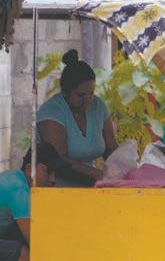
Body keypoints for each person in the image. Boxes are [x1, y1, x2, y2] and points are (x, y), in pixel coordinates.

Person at [36, 49, 118, 186]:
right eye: (81, 95)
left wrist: (118, 168)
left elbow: (111, 148)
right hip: (56, 184)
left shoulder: (98, 106)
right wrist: (97, 174)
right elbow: (59, 160)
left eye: (91, 93)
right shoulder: (52, 112)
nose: (88, 100)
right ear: (65, 92)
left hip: (90, 183)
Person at [0, 143, 63, 261]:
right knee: (23, 255)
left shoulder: (16, 178)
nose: (52, 180)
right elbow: (35, 242)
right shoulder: (18, 188)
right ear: (29, 168)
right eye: (47, 171)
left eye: (54, 173)